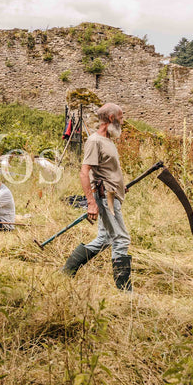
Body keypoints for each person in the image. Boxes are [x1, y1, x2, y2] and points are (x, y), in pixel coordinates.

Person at [61, 103, 132, 291]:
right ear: (111, 118)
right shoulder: (95, 141)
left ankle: (67, 272)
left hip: (113, 194)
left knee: (105, 239)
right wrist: (91, 203)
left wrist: (119, 186)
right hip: (104, 198)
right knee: (121, 238)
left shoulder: (108, 141)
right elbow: (85, 173)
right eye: (121, 117)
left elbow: (107, 171)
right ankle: (124, 290)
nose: (123, 121)